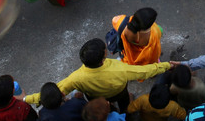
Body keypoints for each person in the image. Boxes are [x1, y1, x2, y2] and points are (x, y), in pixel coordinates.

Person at [21, 38, 171, 112]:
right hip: (119, 93)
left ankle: (111, 110)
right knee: (125, 102)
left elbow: (52, 93)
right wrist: (167, 65)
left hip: (96, 98)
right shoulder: (120, 69)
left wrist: (26, 98)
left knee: (108, 109)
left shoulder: (76, 77)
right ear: (103, 58)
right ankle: (126, 113)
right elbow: (145, 71)